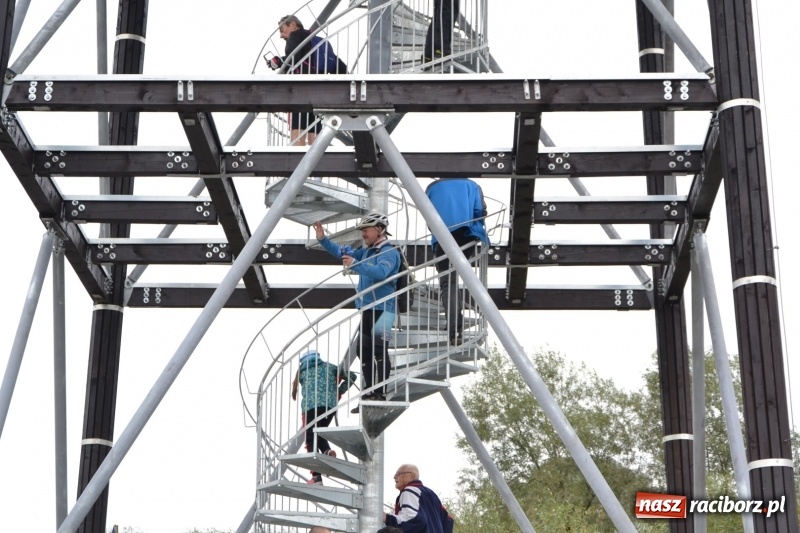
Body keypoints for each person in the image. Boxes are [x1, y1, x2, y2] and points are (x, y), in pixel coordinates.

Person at [313, 213, 400, 410]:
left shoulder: (389, 253)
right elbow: (342, 252)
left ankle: (381, 392)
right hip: (368, 308)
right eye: (362, 230)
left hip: (384, 309)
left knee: (379, 349)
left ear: (379, 230)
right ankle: (369, 391)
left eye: (365, 230)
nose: (363, 234)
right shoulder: (366, 252)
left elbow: (381, 273)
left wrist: (356, 264)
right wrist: (322, 239)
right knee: (364, 350)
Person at [425, 177, 489, 345]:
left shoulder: (431, 188)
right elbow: (480, 211)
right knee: (463, 277)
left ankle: (454, 330)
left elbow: (428, 218)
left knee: (448, 283)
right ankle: (459, 327)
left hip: (441, 238)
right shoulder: (472, 185)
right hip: (466, 234)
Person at [270, 15, 347, 145]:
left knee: (297, 131)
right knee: (314, 133)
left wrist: (277, 62)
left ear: (293, 25)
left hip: (301, 91)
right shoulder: (317, 41)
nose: (281, 36)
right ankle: (316, 162)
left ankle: (297, 159)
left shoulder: (296, 36)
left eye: (282, 30)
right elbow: (340, 67)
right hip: (318, 93)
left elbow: (292, 59)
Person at [291, 349, 356, 484]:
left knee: (310, 438)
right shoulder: (330, 367)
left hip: (310, 408)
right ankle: (326, 451)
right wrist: (338, 391)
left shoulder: (303, 373)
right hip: (330, 406)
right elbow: (352, 377)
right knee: (319, 433)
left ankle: (316, 476)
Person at [383, 464, 454, 533]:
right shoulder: (432, 494)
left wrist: (386, 518)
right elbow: (448, 520)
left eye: (398, 474)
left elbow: (414, 519)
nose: (394, 477)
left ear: (411, 476)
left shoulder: (410, 490)